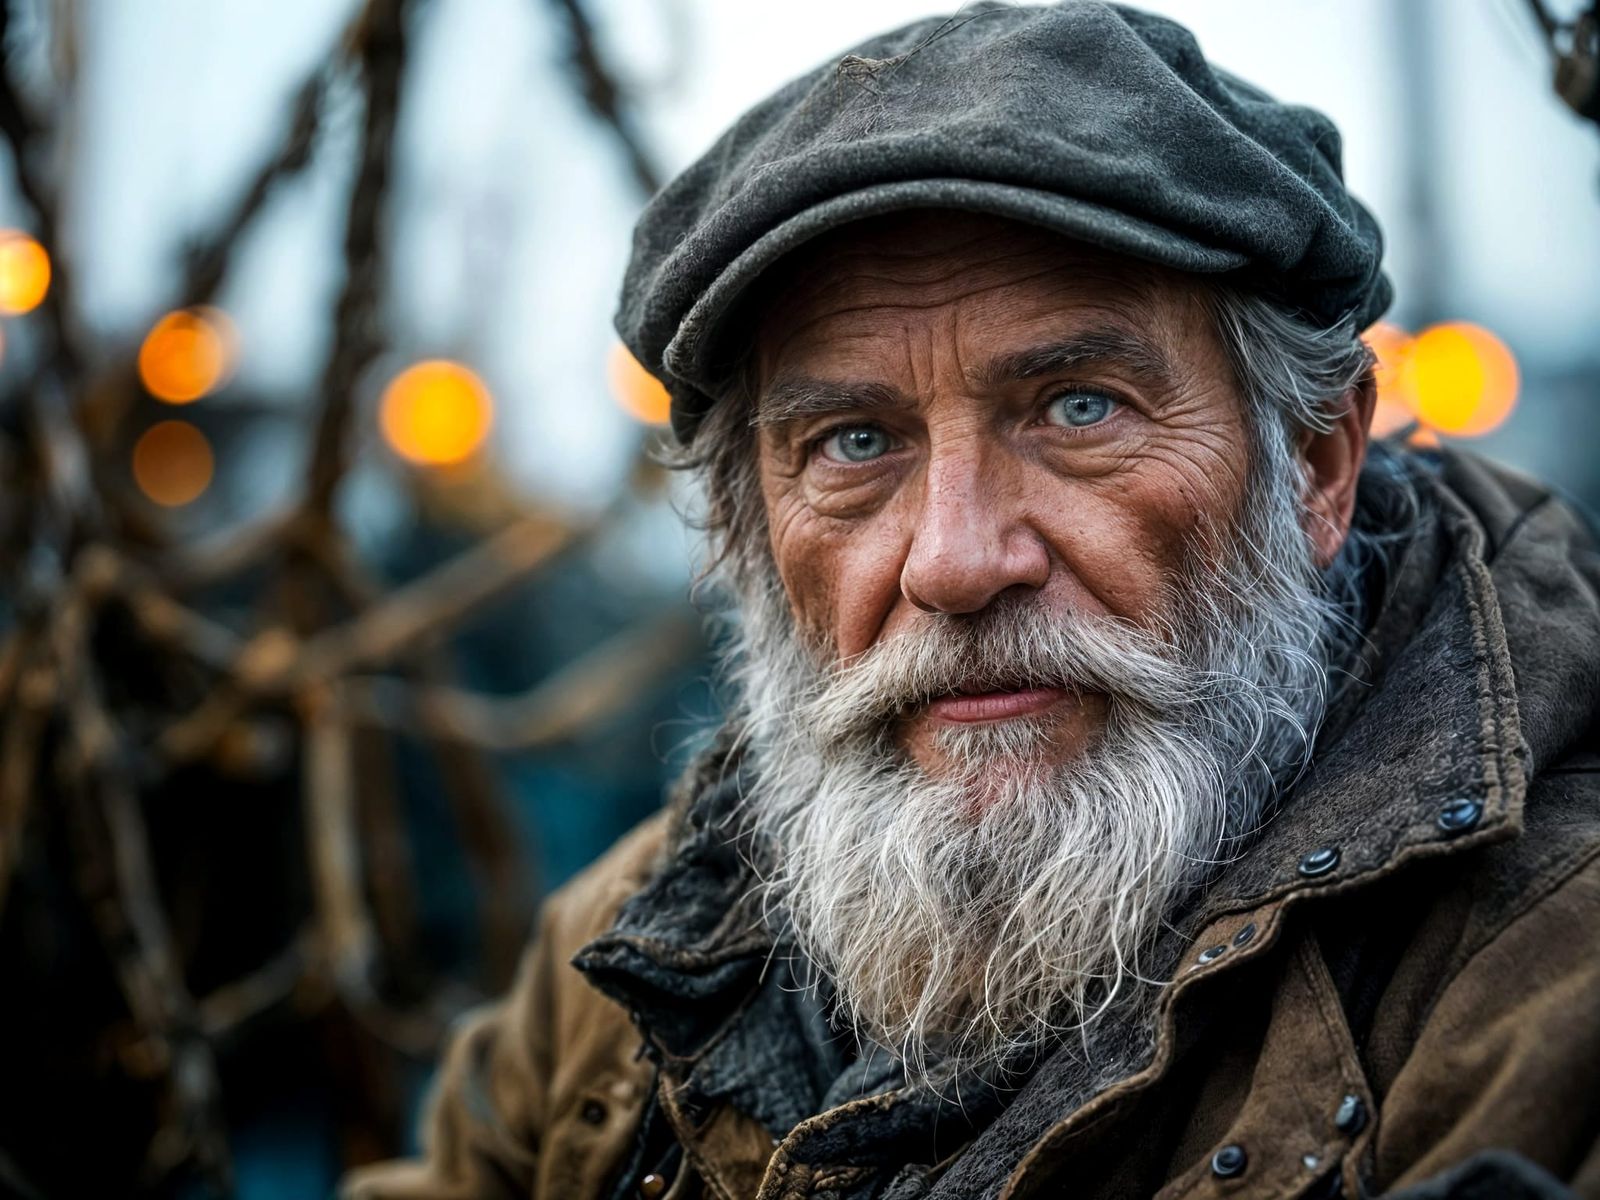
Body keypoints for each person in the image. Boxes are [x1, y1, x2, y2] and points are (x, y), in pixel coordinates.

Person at [344, 4, 1600, 1197]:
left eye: (1079, 409)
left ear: (1314, 466)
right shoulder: (632, 944)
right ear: (747, 527)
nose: (950, 562)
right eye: (851, 442)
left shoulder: (1548, 984)